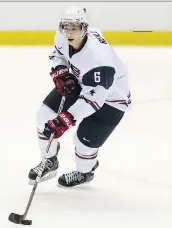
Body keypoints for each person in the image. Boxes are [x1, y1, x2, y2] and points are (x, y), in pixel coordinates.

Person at [28, 6, 131, 187]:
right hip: (82, 82)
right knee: (43, 117)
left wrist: (66, 119)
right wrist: (60, 72)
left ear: (84, 28)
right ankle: (49, 161)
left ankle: (85, 172)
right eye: (66, 27)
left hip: (111, 99)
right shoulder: (62, 36)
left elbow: (94, 100)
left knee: (84, 140)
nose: (69, 32)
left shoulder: (99, 59)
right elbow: (58, 55)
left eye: (74, 28)